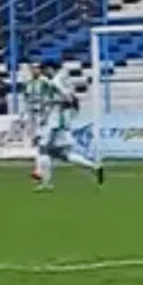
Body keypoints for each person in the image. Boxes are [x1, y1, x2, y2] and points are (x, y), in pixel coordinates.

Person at [28, 61, 103, 189]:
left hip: (55, 122)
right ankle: (94, 167)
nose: (43, 72)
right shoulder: (61, 79)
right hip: (57, 120)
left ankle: (42, 176)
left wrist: (53, 103)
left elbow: (68, 99)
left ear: (50, 68)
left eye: (44, 69)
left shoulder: (56, 81)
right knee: (62, 155)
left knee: (43, 148)